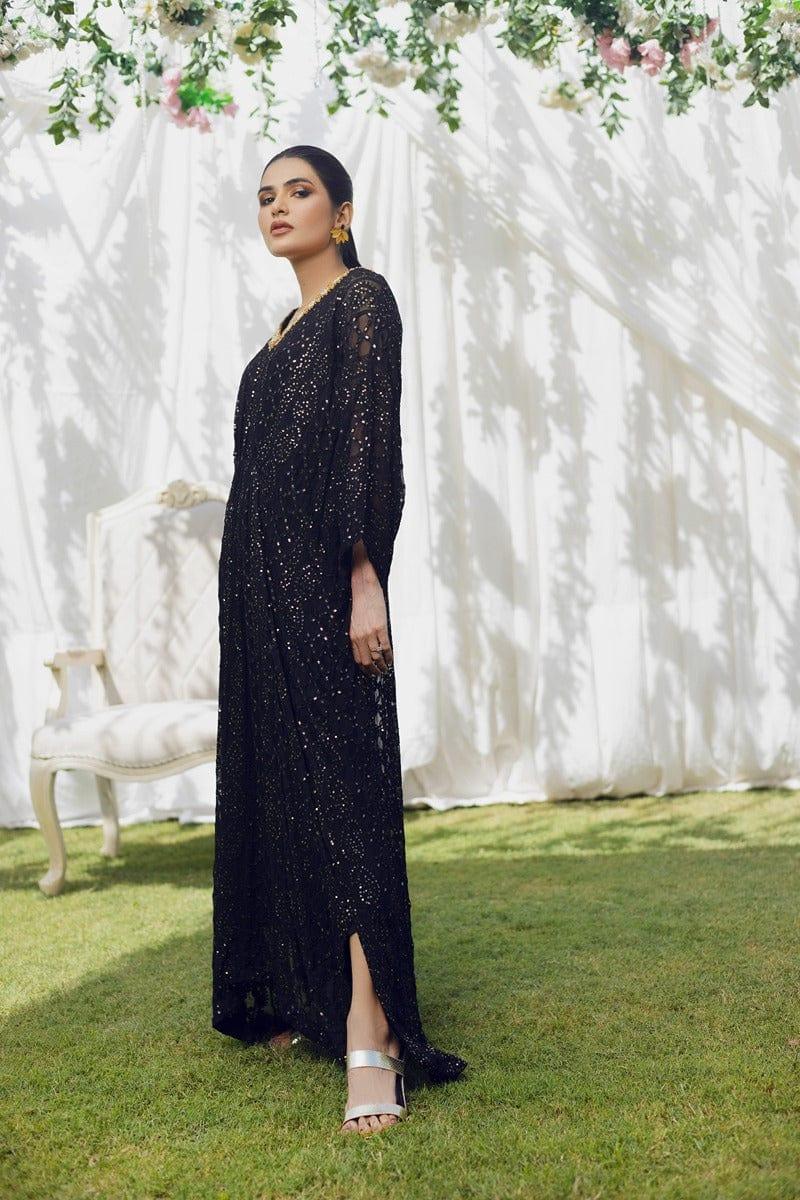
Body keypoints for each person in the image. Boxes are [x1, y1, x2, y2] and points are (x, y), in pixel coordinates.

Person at [212, 145, 468, 1135]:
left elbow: (369, 445)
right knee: (280, 792)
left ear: (343, 211)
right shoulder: (274, 338)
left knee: (346, 803)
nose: (277, 207)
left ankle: (372, 1029)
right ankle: (305, 995)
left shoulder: (363, 302)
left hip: (323, 584)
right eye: (264, 197)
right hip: (255, 593)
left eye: (300, 191)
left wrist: (366, 581)